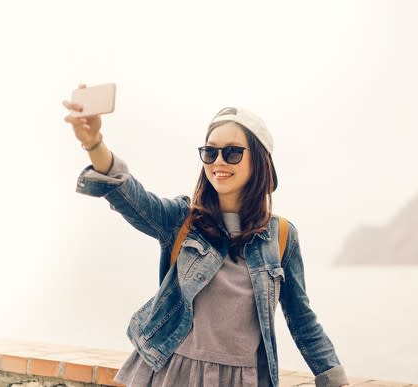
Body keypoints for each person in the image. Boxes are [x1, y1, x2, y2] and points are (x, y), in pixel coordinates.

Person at [62, 84, 350, 387]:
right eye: (210, 152)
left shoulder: (281, 236)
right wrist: (94, 143)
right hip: (173, 375)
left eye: (233, 152)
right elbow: (132, 197)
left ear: (260, 160)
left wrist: (334, 378)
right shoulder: (182, 221)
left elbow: (302, 319)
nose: (219, 162)